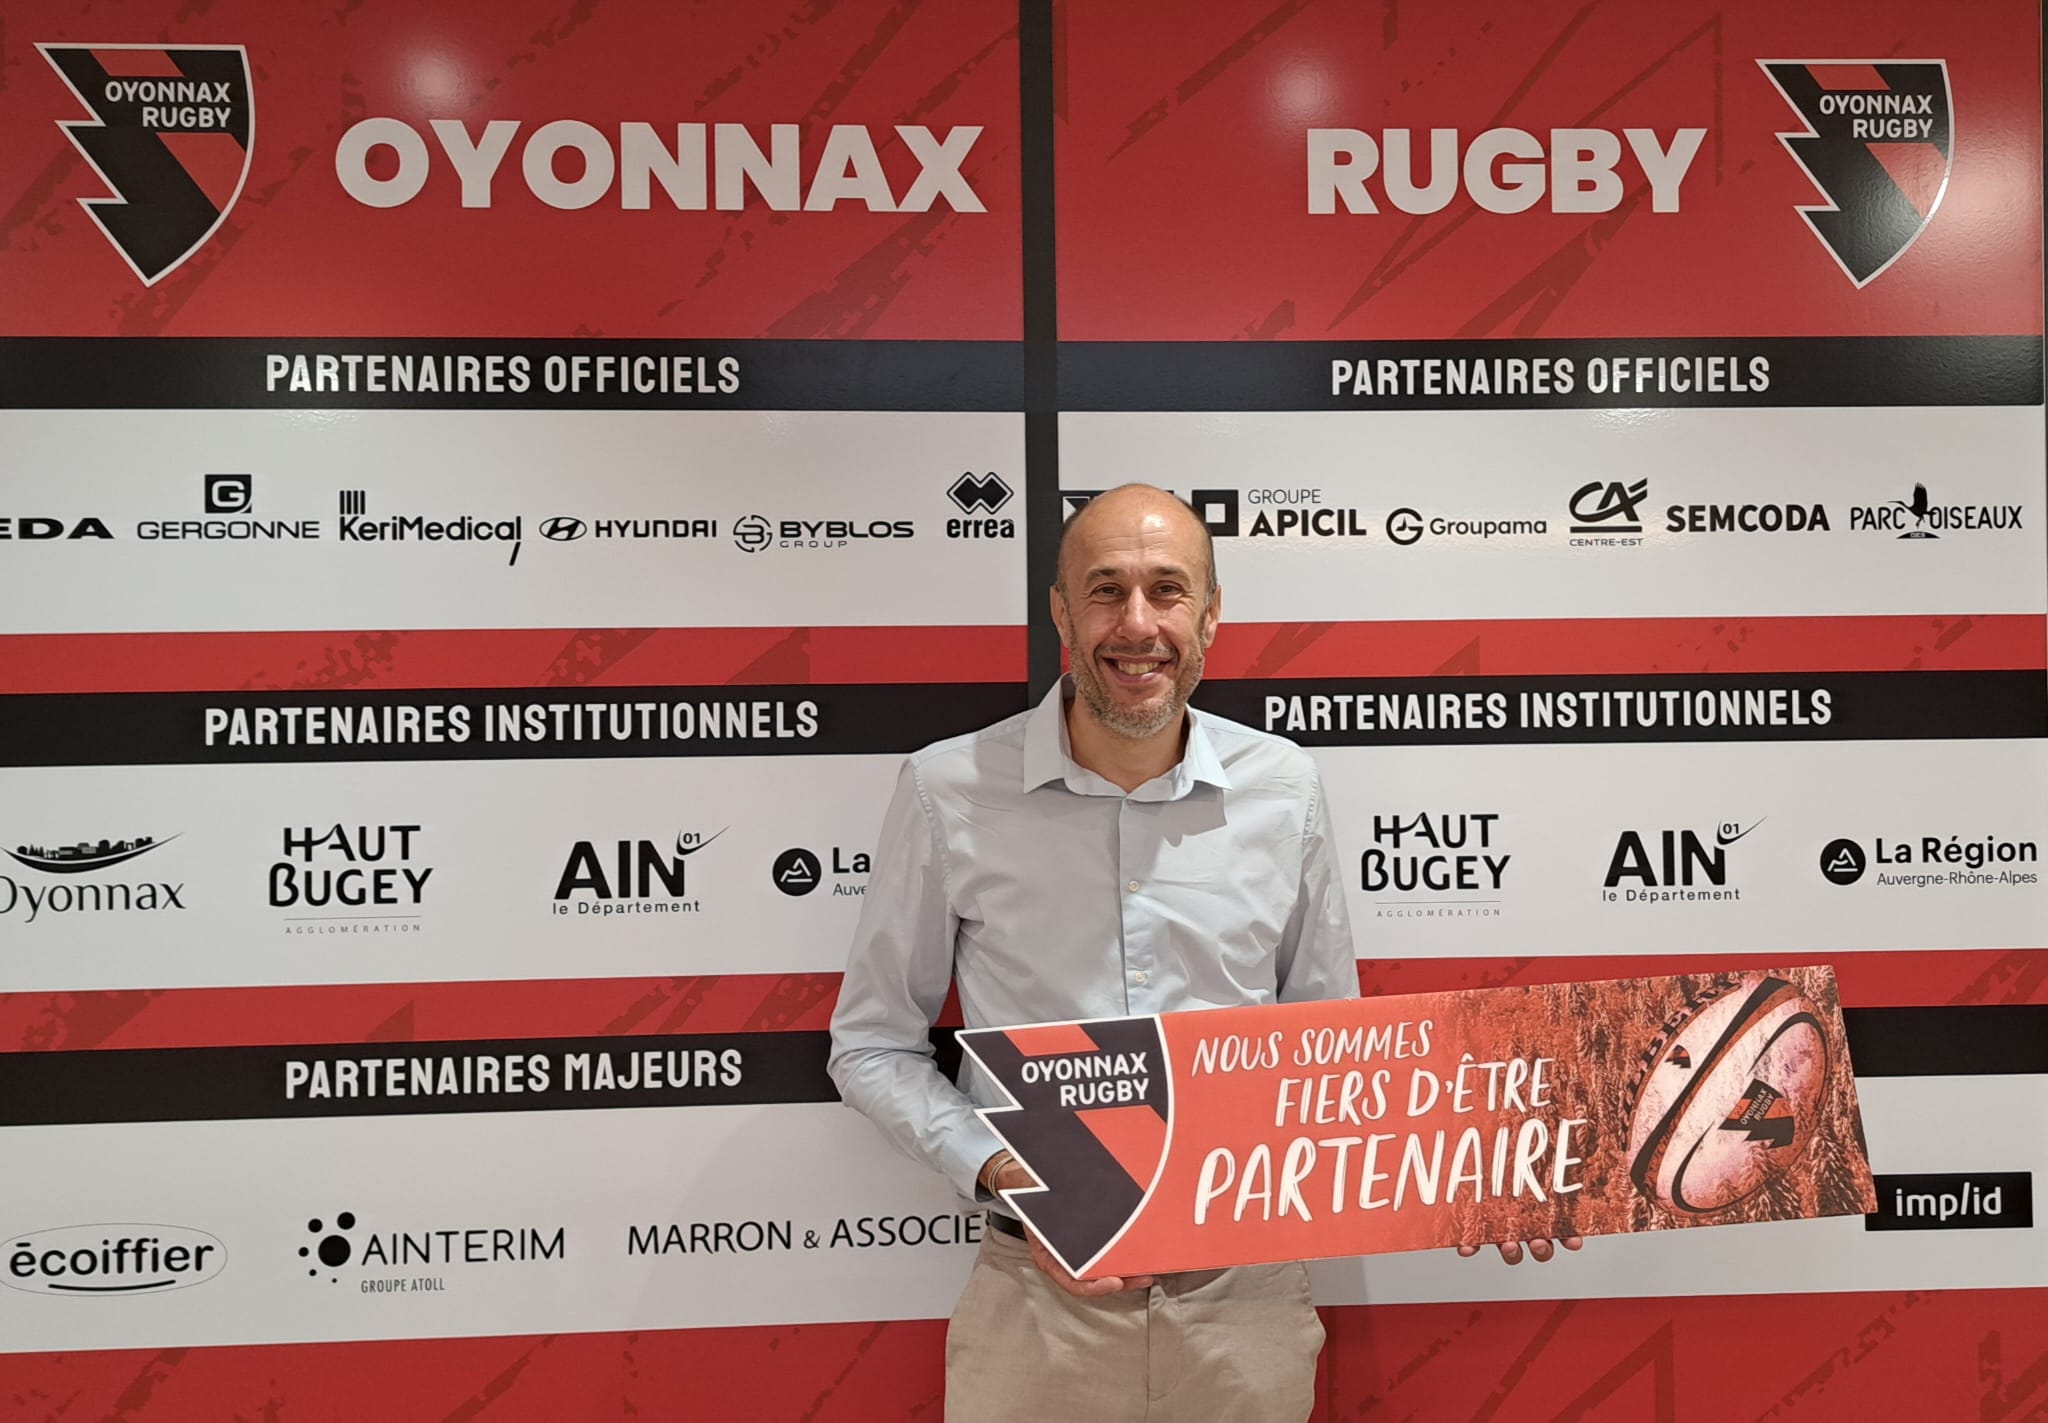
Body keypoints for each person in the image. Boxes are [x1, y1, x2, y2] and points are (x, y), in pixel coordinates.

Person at [828, 484, 1567, 1423]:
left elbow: (1334, 1050)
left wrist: (1476, 1168)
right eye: (1106, 589)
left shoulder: (1284, 787)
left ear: (1211, 613)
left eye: (1167, 589)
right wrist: (1012, 1171)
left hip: (1246, 1304)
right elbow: (872, 1044)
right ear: (1061, 612)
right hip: (1037, 1307)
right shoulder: (950, 788)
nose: (1138, 624)